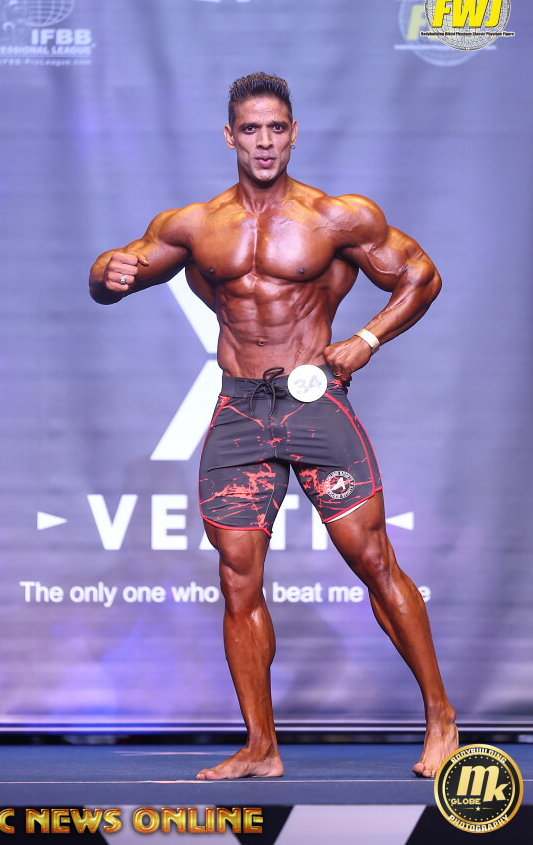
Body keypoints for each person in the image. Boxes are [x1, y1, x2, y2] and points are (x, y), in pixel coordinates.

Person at [89, 72, 459, 780]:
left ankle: (440, 717)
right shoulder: (194, 225)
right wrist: (105, 273)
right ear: (230, 136)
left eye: (277, 128)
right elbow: (116, 276)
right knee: (238, 580)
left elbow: (422, 276)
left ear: (293, 134)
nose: (264, 142)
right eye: (251, 129)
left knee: (373, 560)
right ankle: (260, 747)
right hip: (239, 408)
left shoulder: (336, 218)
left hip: (314, 401)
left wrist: (368, 339)